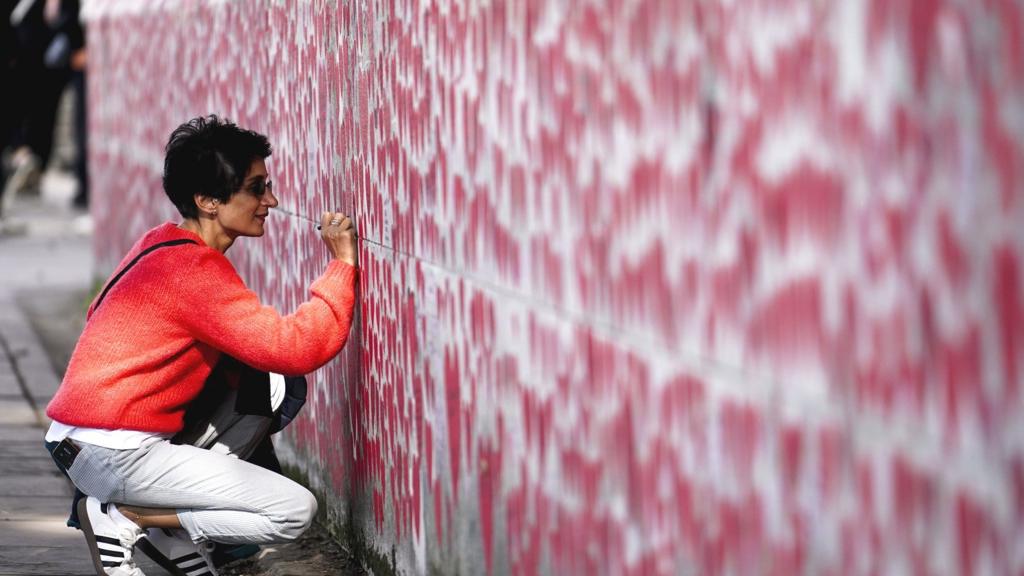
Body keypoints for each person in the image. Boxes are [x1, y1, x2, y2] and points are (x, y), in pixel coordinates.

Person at [42, 115, 358, 576]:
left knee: (264, 381)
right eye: (255, 189)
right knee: (293, 510)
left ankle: (168, 533)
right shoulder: (195, 272)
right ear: (209, 201)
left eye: (267, 185)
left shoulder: (160, 244)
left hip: (81, 442)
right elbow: (296, 347)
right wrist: (342, 266)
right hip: (117, 455)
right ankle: (131, 519)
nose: (270, 200)